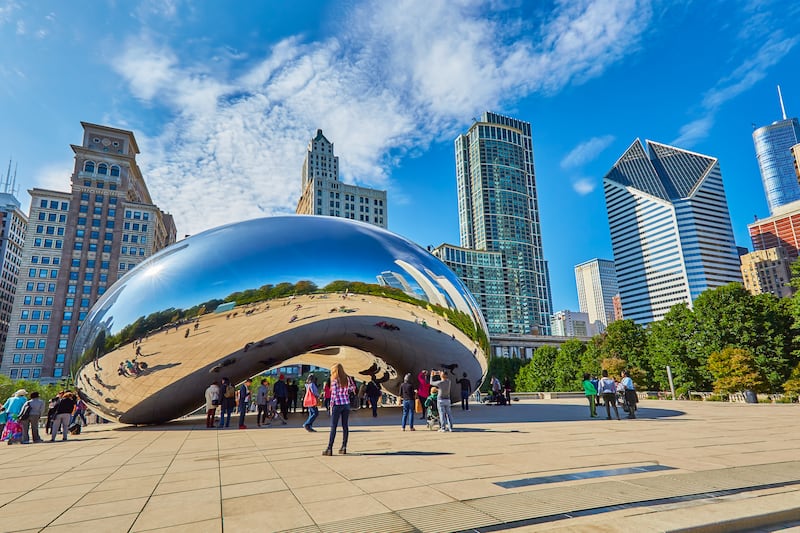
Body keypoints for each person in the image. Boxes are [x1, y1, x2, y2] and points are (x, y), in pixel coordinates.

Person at [322, 363, 355, 456]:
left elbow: (334, 395)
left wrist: (331, 406)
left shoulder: (335, 380)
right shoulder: (347, 379)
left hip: (337, 404)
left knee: (333, 426)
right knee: (345, 426)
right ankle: (344, 447)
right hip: (346, 404)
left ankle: (329, 448)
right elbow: (352, 388)